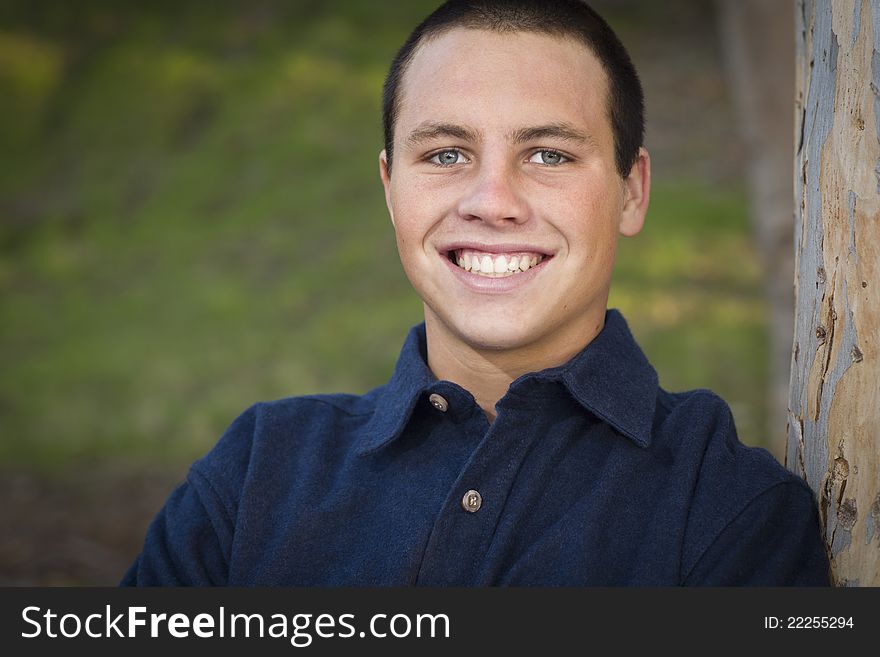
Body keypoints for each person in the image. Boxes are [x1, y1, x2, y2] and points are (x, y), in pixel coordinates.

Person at [122, 0, 830, 586]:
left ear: (631, 191)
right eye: (446, 154)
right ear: (391, 189)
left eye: (548, 154)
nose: (493, 201)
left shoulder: (732, 509)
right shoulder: (256, 475)